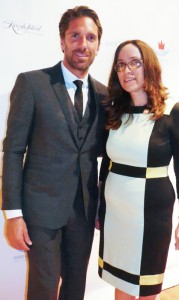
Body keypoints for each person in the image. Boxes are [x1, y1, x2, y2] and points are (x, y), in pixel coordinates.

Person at [2, 5, 107, 300]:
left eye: (90, 37)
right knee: (44, 288)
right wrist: (13, 214)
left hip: (84, 212)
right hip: (40, 211)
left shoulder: (105, 95)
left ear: (98, 45)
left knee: (75, 288)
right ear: (62, 41)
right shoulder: (33, 83)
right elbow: (12, 151)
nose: (82, 44)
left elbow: (107, 156)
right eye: (75, 36)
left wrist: (104, 206)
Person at [98, 40, 179, 300]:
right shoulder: (116, 111)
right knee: (122, 283)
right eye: (120, 65)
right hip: (116, 214)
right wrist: (100, 209)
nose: (126, 70)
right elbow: (107, 165)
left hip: (152, 214)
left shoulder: (172, 111)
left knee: (148, 288)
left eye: (134, 63)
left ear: (149, 65)